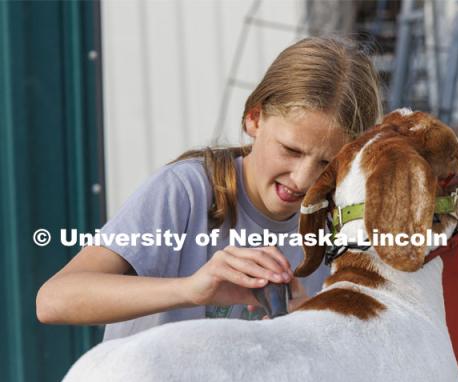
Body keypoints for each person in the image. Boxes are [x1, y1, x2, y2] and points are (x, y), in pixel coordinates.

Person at [36, 36, 383, 340]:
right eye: (291, 150)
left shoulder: (340, 222)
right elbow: (54, 300)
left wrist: (320, 318)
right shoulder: (185, 191)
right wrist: (191, 289)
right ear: (254, 119)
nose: (303, 180)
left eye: (328, 163)